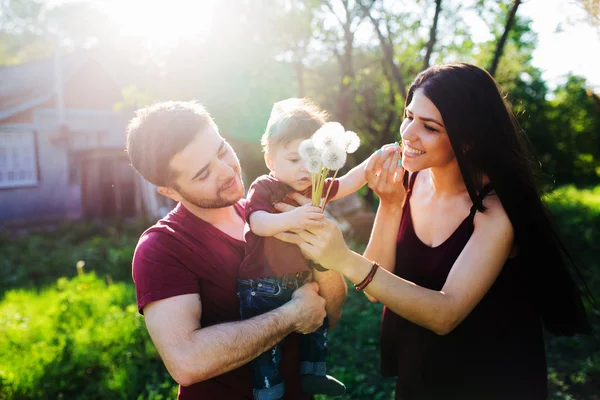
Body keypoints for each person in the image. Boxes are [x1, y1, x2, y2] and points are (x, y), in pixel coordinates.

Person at [275, 63, 592, 399]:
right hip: (421, 373)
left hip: (494, 380)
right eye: (409, 116)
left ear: (467, 140)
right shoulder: (407, 182)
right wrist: (390, 204)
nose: (408, 133)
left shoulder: (496, 211)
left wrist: (342, 258)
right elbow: (373, 289)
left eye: (429, 127)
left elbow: (446, 314)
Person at [125, 101, 347, 400]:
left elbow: (328, 314)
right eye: (203, 174)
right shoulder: (162, 248)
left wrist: (324, 257)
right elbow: (186, 362)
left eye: (221, 150)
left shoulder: (276, 212)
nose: (227, 171)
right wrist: (290, 316)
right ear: (169, 191)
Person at [239, 98, 369, 399]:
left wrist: (372, 163)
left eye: (310, 159)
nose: (303, 169)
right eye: (293, 160)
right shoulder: (265, 186)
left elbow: (347, 183)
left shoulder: (316, 185)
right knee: (266, 342)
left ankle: (314, 371)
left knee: (317, 321)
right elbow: (257, 222)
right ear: (271, 160)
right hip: (262, 284)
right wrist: (293, 217)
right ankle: (267, 388)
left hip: (300, 279)